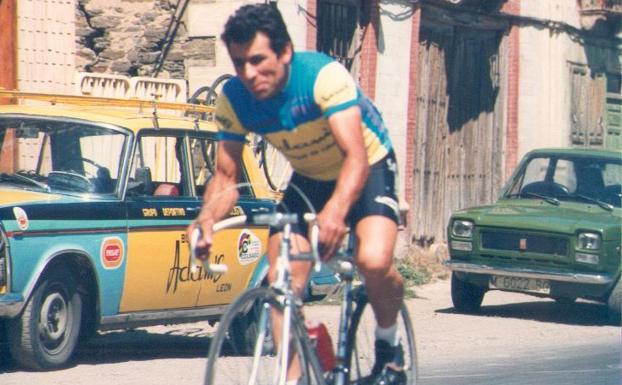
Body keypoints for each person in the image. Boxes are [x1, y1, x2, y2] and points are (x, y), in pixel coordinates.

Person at [188, 4, 405, 385]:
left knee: (372, 261)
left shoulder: (322, 77)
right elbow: (225, 177)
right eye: (240, 64)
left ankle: (389, 347)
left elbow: (355, 157)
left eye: (257, 60)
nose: (249, 74)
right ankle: (293, 378)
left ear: (285, 52)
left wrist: (337, 212)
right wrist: (205, 220)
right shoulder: (234, 99)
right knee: (282, 282)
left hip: (367, 166)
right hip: (309, 177)